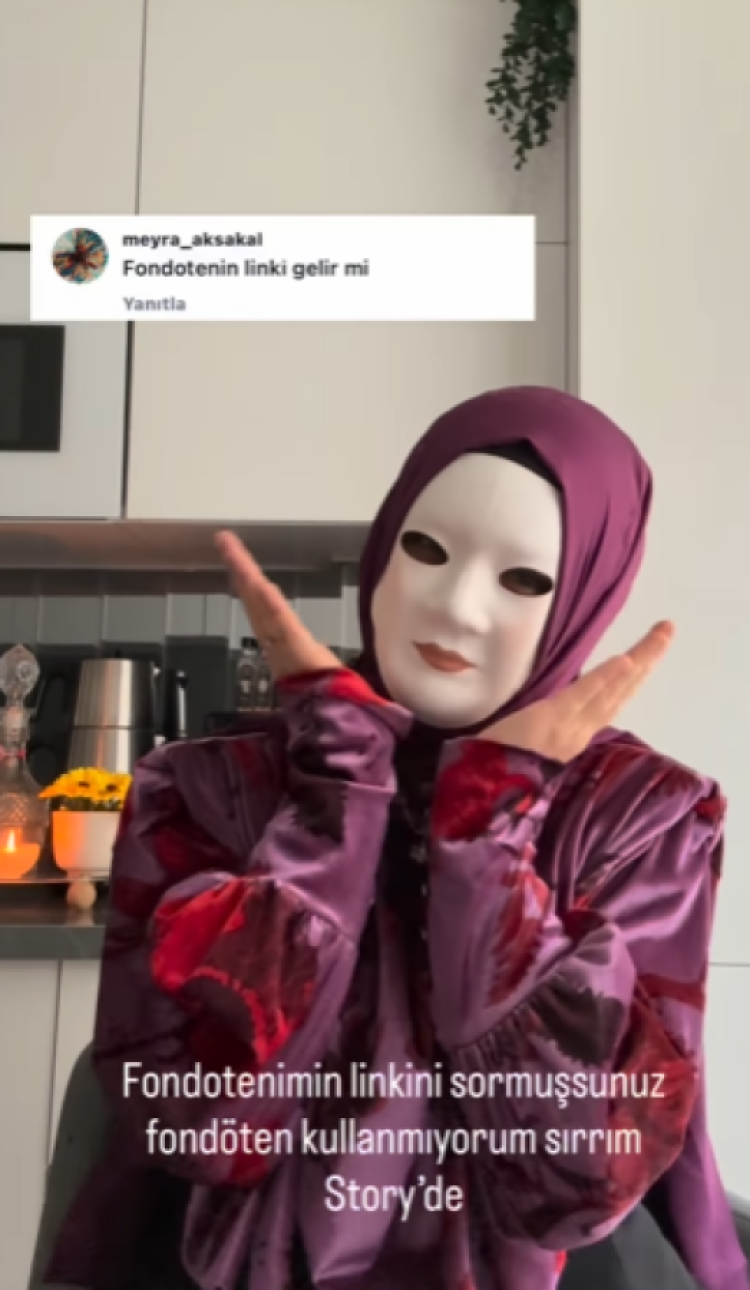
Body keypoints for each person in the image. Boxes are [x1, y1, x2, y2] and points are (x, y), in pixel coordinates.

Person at [42, 387, 747, 1290]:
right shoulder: (207, 787)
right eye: (428, 549)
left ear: (585, 597)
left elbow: (575, 1178)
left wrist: (488, 833)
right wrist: (337, 800)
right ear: (382, 548)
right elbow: (197, 1120)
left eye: (524, 580)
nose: (455, 607)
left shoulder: (641, 815)